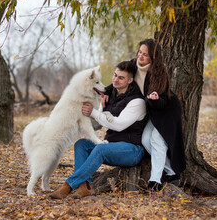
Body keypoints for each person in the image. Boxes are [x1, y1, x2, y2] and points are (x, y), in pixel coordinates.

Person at [49, 61, 148, 199]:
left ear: (130, 80)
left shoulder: (137, 102)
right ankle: (85, 187)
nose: (115, 79)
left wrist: (93, 112)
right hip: (111, 145)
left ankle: (68, 185)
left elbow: (118, 125)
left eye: (121, 78)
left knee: (100, 149)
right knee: (81, 144)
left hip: (132, 150)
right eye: (115, 75)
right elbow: (98, 123)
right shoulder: (108, 95)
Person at [103, 39, 186, 192]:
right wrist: (106, 92)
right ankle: (172, 171)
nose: (140, 56)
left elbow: (162, 102)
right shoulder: (133, 65)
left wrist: (154, 100)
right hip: (152, 114)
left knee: (156, 139)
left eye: (145, 55)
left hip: (166, 112)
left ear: (153, 57)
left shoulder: (159, 73)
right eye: (140, 52)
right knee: (145, 140)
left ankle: (154, 181)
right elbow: (118, 79)